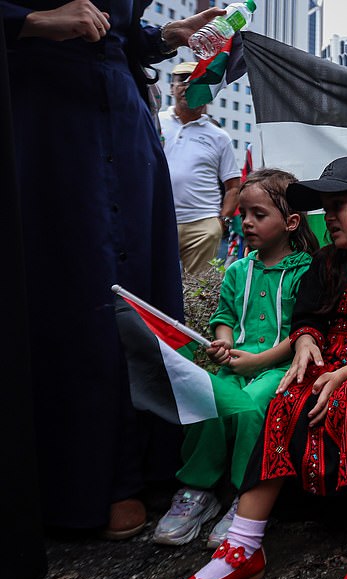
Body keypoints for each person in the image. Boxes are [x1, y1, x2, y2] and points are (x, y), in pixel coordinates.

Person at [160, 156, 347, 579]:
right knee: (285, 397)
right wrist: (306, 340)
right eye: (324, 208)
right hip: (329, 359)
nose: (329, 218)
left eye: (339, 205)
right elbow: (309, 316)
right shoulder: (326, 262)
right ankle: (243, 547)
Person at [2, 0, 224, 538]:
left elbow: (121, 30)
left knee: (142, 288)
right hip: (44, 116)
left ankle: (144, 467)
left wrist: (164, 35)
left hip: (121, 113)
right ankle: (84, 481)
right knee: (71, 284)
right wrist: (29, 22)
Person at [153, 168, 319, 549]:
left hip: (279, 367)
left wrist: (257, 363)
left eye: (259, 215)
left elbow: (302, 332)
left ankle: (247, 499)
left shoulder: (306, 270)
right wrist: (225, 345)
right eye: (243, 214)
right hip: (236, 365)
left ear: (291, 221)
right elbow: (224, 319)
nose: (246, 222)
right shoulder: (238, 269)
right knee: (206, 397)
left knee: (252, 408)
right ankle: (198, 488)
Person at [159, 60, 241, 275]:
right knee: (152, 285)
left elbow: (233, 186)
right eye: (182, 81)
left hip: (203, 225)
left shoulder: (219, 136)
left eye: (196, 82)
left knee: (198, 293)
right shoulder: (155, 122)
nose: (188, 86)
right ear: (172, 87)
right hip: (158, 219)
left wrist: (220, 222)